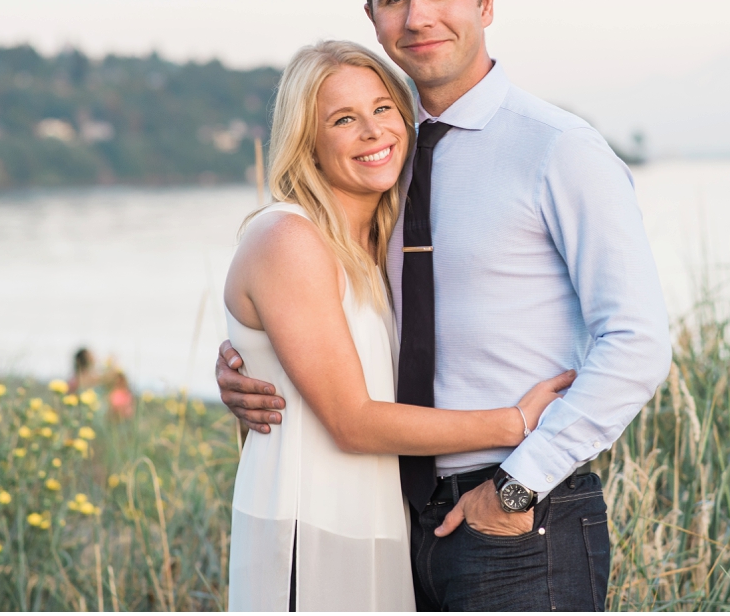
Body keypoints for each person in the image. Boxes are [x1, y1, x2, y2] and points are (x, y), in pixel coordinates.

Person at [218, 0, 672, 611]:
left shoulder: (558, 150)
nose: (418, 14)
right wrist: (250, 362)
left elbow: (638, 343)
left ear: (485, 1)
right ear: (372, 17)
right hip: (399, 518)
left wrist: (519, 483)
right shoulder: (382, 167)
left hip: (521, 519)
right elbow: (325, 306)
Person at [224, 39, 575, 612]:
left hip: (378, 527)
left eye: (383, 108)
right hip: (306, 529)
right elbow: (352, 422)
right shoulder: (288, 238)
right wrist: (512, 424)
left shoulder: (379, 246)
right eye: (343, 119)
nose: (372, 131)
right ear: (306, 141)